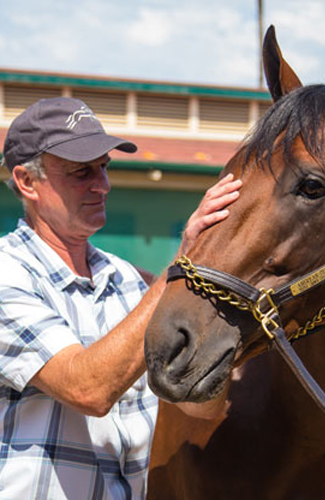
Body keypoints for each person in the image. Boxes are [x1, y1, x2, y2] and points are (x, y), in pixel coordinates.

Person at [0, 97, 242, 499]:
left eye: (104, 167)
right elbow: (88, 389)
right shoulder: (8, 273)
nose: (103, 184)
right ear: (27, 182)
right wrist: (186, 261)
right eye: (81, 172)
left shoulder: (126, 280)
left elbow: (190, 406)